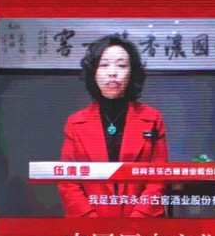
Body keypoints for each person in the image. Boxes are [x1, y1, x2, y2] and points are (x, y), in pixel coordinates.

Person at [58, 34, 169, 218]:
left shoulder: (152, 118)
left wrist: (138, 219)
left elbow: (158, 178)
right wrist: (91, 221)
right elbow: (68, 182)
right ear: (93, 73)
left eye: (121, 65)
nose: (112, 72)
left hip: (142, 224)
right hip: (89, 226)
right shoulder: (75, 123)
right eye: (104, 65)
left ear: (132, 73)